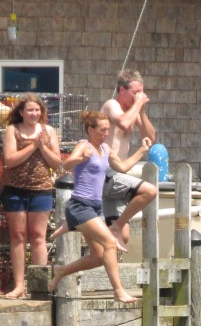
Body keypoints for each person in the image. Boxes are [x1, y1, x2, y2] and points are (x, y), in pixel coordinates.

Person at [48, 111, 151, 304]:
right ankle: (118, 291)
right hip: (80, 206)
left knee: (98, 257)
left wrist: (142, 150)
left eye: (108, 130)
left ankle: (61, 271)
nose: (106, 134)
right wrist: (80, 158)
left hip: (96, 208)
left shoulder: (105, 148)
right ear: (90, 129)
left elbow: (122, 167)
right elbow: (65, 165)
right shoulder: (83, 145)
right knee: (110, 244)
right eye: (102, 130)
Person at [50, 69, 157, 251]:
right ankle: (108, 226)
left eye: (141, 92)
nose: (139, 96)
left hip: (119, 170)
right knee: (148, 191)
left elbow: (151, 137)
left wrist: (142, 111)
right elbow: (123, 122)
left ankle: (104, 238)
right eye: (135, 92)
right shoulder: (111, 105)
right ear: (122, 90)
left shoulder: (134, 111)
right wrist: (138, 105)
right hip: (105, 172)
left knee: (122, 237)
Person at [0, 93, 61, 299]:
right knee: (17, 236)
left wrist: (41, 146)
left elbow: (56, 162)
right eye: (30, 110)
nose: (34, 114)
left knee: (38, 236)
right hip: (15, 189)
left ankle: (39, 285)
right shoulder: (12, 130)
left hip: (41, 189)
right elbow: (9, 160)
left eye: (37, 110)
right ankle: (19, 285)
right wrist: (31, 146)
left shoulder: (49, 131)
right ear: (21, 112)